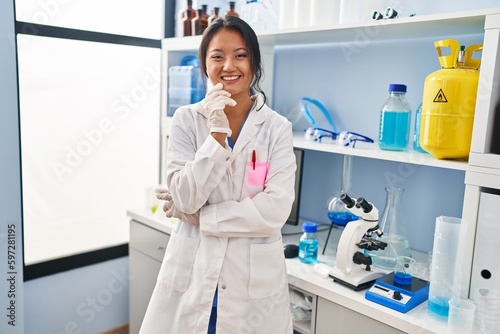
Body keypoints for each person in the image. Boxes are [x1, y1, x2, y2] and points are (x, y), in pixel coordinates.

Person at [139, 16, 296, 334]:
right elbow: (184, 197)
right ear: (204, 63)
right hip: (194, 275)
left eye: (240, 55)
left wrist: (201, 218)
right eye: (217, 56)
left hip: (250, 285)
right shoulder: (186, 120)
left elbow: (274, 211)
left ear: (254, 60)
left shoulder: (277, 128)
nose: (229, 66)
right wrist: (216, 136)